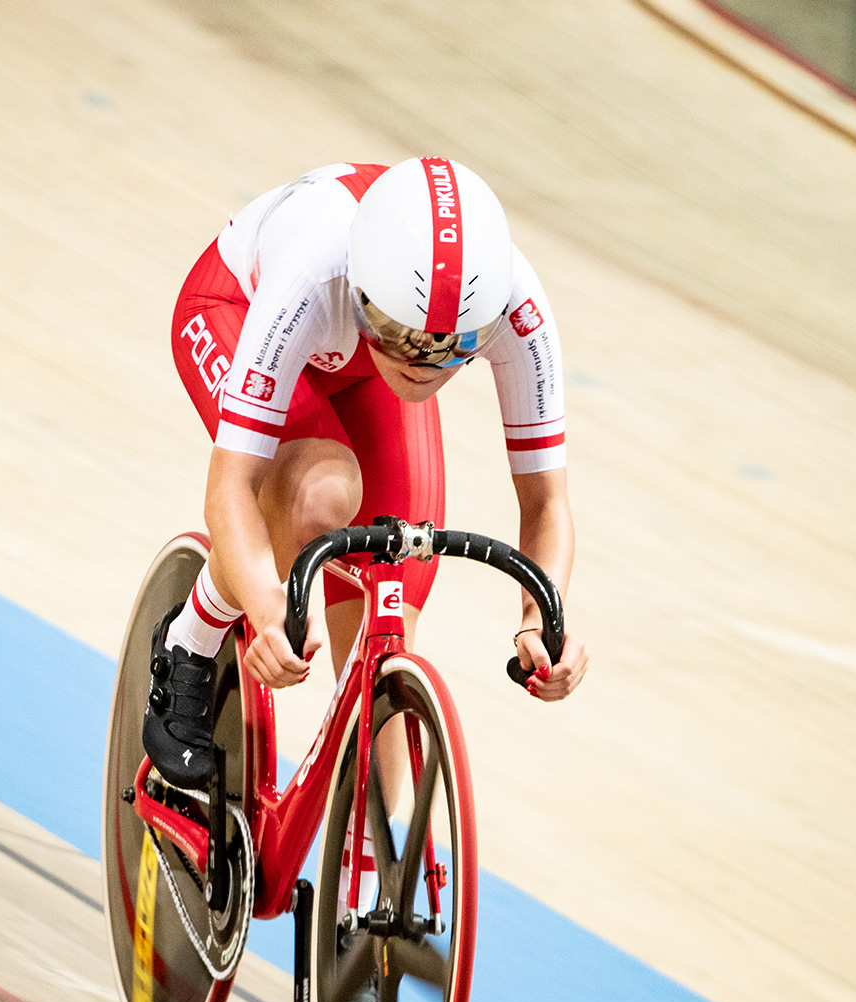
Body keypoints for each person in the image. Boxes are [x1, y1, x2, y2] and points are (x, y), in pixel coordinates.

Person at [146, 156, 588, 789]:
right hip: (237, 313)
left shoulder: (514, 305)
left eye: (456, 348)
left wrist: (541, 619)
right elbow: (231, 487)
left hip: (359, 365)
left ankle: (361, 877)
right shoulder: (312, 268)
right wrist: (265, 606)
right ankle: (189, 639)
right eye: (401, 334)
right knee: (321, 494)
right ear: (362, 292)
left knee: (389, 649)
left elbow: (547, 502)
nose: (424, 368)